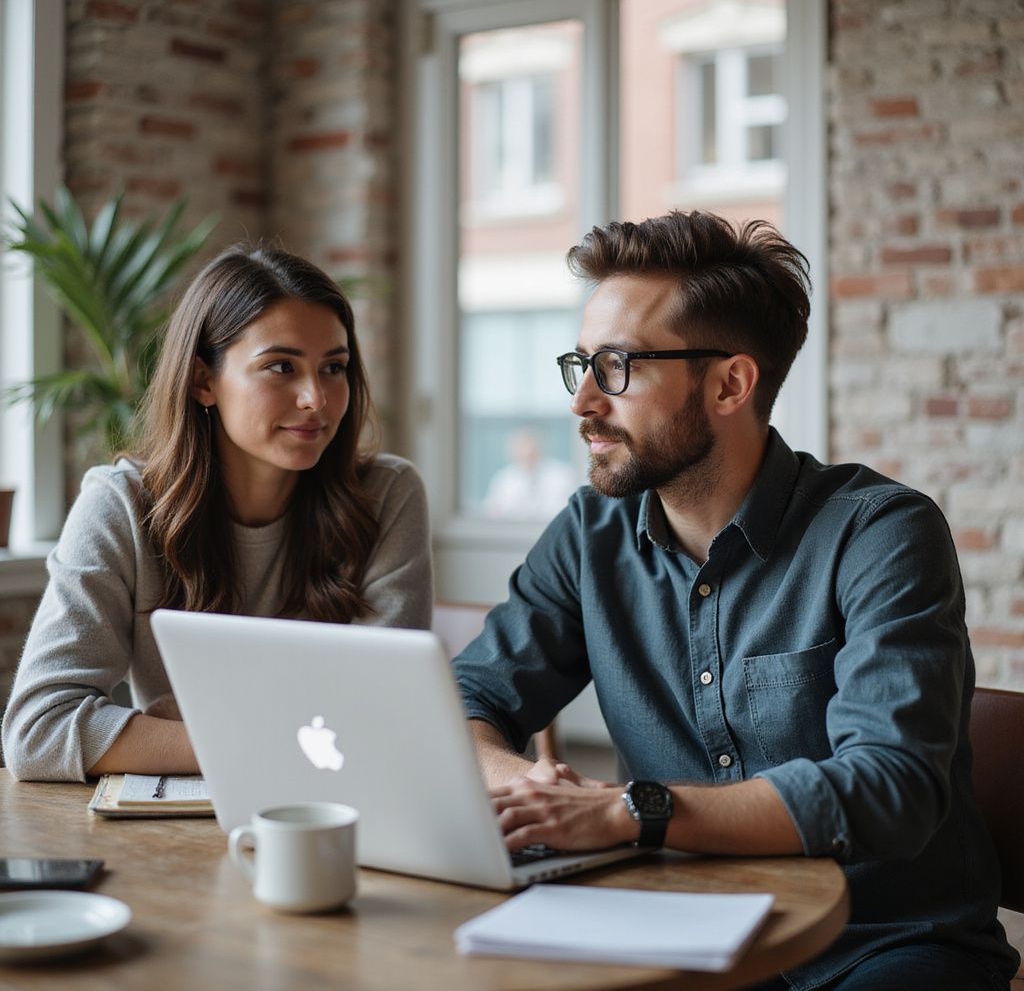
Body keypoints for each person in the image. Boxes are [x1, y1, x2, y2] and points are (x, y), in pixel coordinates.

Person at [452, 211, 1020, 990]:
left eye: (616, 367)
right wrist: (535, 793)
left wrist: (630, 810)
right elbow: (466, 696)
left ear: (730, 382)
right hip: (673, 925)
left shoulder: (881, 532)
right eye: (581, 364)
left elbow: (891, 785)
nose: (583, 401)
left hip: (884, 944)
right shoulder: (591, 531)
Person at [2, 245, 432, 782]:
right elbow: (39, 731)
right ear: (204, 381)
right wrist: (276, 739)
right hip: (181, 826)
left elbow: (385, 717)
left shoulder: (388, 496)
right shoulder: (121, 505)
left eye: (334, 368)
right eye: (281, 366)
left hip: (335, 811)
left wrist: (173, 730)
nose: (316, 399)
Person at [481, 427, 578, 520]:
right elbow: (491, 512)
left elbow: (568, 511)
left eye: (531, 445)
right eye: (521, 446)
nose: (527, 451)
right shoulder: (503, 480)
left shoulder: (562, 475)